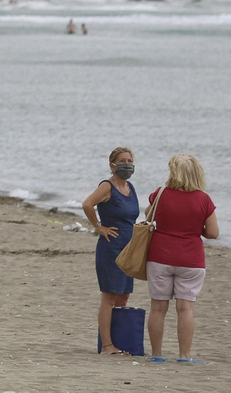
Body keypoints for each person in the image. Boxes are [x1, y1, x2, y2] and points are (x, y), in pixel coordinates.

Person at [145, 153, 218, 364]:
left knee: (158, 308)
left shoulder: (161, 194)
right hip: (191, 259)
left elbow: (148, 217)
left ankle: (157, 354)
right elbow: (213, 233)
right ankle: (184, 356)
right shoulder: (204, 199)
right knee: (185, 308)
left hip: (160, 256)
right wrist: (195, 229)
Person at [82, 146, 139, 355]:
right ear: (112, 165)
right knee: (110, 297)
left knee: (124, 296)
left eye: (130, 160)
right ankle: (107, 345)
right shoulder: (107, 186)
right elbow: (87, 204)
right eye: (122, 160)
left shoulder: (130, 187)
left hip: (129, 248)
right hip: (111, 247)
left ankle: (119, 341)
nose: (127, 164)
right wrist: (99, 227)